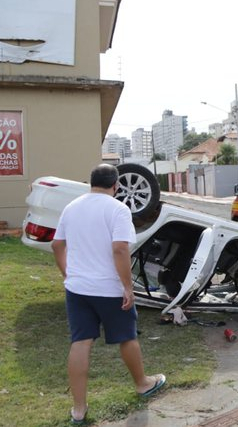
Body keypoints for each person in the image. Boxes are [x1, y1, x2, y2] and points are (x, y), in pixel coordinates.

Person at [51, 164, 165, 424]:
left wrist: (67, 274)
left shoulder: (72, 207)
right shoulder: (118, 209)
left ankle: (79, 409)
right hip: (108, 289)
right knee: (127, 337)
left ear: (90, 183)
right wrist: (127, 287)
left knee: (80, 342)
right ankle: (142, 384)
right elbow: (120, 250)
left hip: (78, 288)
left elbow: (57, 244)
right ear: (115, 186)